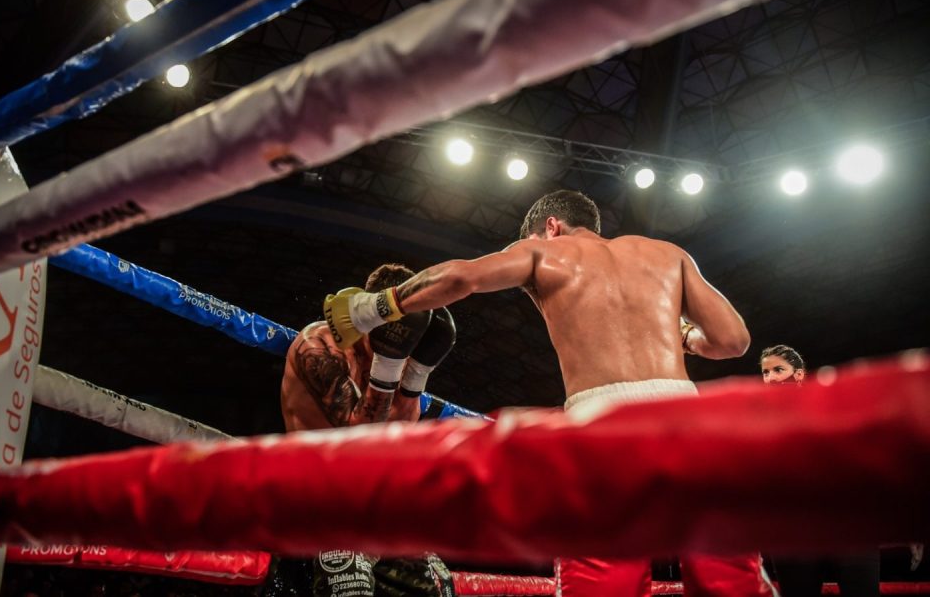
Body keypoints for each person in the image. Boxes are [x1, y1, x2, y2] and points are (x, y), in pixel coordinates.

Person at [323, 189, 773, 597]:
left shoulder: (543, 251)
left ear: (551, 226)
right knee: (732, 583)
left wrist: (374, 308)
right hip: (692, 426)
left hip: (605, 430)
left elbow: (461, 278)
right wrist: (684, 336)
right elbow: (733, 341)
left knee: (602, 586)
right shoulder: (668, 254)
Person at [265, 263, 458, 597]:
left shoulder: (404, 356)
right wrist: (389, 364)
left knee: (438, 585)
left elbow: (398, 435)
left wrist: (416, 373)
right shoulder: (319, 347)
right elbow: (360, 437)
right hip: (314, 504)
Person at [759, 345, 880, 597]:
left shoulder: (834, 404)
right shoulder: (758, 419)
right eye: (765, 372)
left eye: (778, 370)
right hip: (794, 529)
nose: (771, 378)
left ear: (799, 374)